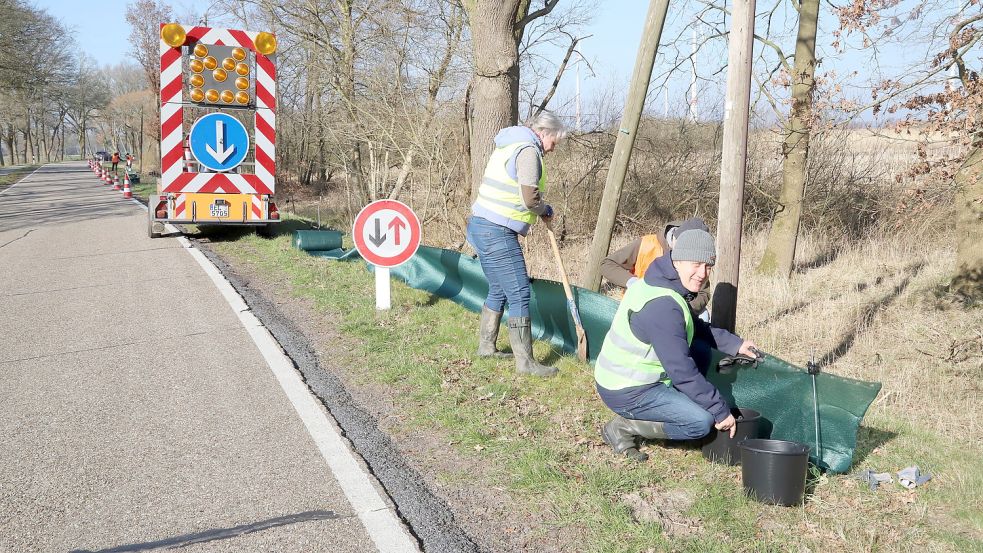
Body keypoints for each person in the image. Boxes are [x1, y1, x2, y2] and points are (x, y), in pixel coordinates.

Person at [594, 229, 759, 461]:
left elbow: (692, 326)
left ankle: (672, 404)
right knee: (700, 422)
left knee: (700, 352)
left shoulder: (662, 281)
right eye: (696, 264)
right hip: (628, 390)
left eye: (708, 266)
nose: (702, 273)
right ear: (678, 260)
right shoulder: (663, 305)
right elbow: (682, 371)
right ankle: (623, 427)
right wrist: (720, 411)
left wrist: (735, 344)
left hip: (627, 379)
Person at [466, 111, 567, 378]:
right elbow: (530, 199)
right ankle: (526, 363)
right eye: (554, 142)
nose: (553, 148)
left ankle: (486, 347)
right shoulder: (528, 151)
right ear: (543, 133)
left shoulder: (509, 143)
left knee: (499, 287)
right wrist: (545, 210)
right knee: (520, 292)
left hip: (480, 225)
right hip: (496, 231)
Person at [600, 218, 711, 319]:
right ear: (675, 239)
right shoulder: (646, 244)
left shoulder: (700, 259)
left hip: (681, 311)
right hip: (639, 307)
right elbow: (607, 264)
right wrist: (634, 283)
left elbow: (704, 294)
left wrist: (685, 308)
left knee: (704, 316)